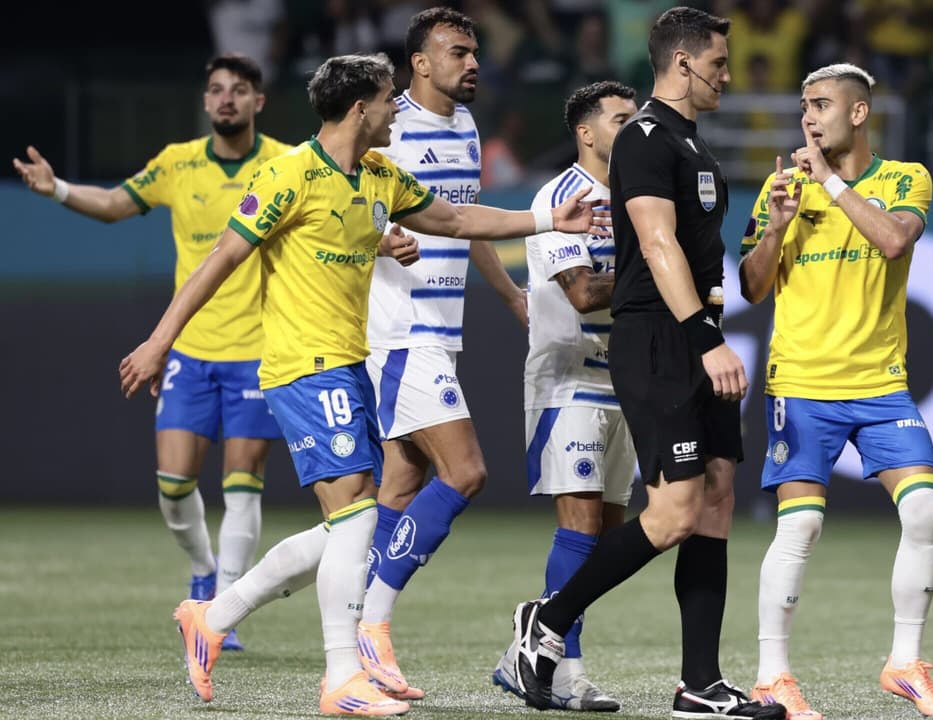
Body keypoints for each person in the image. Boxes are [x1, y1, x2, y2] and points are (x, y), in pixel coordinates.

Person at [118, 52, 601, 717]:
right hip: (301, 367)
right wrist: (159, 340)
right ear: (359, 109)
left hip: (348, 365)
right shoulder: (287, 176)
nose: (397, 107)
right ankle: (343, 676)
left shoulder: (376, 175)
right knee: (358, 518)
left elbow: (458, 222)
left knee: (350, 523)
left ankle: (214, 615)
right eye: (388, 98)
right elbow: (221, 259)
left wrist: (549, 220)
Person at [505, 8, 784, 719]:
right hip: (660, 341)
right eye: (718, 63)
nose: (726, 75)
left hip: (695, 335)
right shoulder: (646, 139)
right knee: (674, 512)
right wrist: (705, 336)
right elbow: (657, 246)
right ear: (683, 63)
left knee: (717, 496)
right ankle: (549, 619)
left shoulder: (693, 145)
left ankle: (700, 683)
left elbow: (701, 254)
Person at [12, 54, 290, 651]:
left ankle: (224, 606)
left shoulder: (285, 165)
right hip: (189, 352)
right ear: (205, 101)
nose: (226, 100)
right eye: (216, 89)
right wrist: (56, 187)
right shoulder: (178, 162)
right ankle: (202, 565)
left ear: (258, 102)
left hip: (257, 352)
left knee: (243, 483)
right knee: (171, 485)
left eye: (239, 91)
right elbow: (114, 206)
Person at [737, 63, 933, 720]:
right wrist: (775, 225)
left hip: (880, 383)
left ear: (858, 114)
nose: (808, 116)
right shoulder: (781, 188)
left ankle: (905, 663)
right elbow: (751, 286)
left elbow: (892, 241)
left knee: (925, 514)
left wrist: (827, 185)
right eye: (804, 105)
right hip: (801, 382)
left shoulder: (905, 178)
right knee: (800, 524)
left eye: (822, 104)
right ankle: (773, 677)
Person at [356, 7, 528, 702]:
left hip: (440, 332)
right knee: (467, 471)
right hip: (399, 332)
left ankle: (223, 613)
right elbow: (341, 212)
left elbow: (463, 217)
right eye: (459, 52)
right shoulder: (382, 128)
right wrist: (378, 240)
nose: (473, 62)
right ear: (419, 63)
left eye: (475, 50)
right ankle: (371, 627)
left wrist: (510, 293)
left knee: (396, 488)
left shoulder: (463, 124)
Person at [490, 80, 638, 713]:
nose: (632, 128)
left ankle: (521, 648)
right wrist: (661, 266)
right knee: (579, 530)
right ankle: (565, 672)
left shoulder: (638, 198)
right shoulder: (558, 198)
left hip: (625, 383)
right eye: (620, 119)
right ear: (586, 130)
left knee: (611, 541)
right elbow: (582, 293)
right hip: (569, 377)